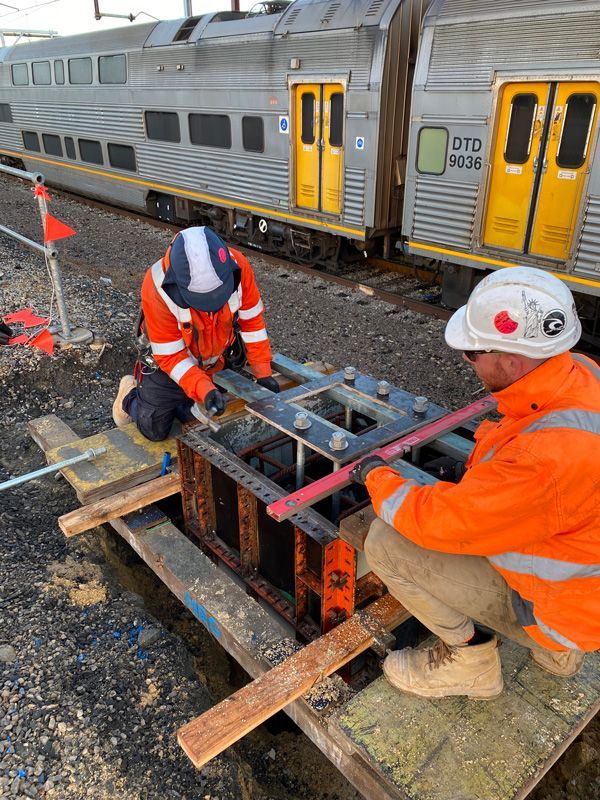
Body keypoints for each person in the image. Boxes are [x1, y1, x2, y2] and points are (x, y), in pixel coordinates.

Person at [350, 266, 600, 699]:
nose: (467, 362)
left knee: (384, 543)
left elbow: (441, 525)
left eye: (472, 353)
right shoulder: (580, 373)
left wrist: (377, 477)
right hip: (584, 590)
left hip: (561, 609)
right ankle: (561, 652)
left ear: (511, 360)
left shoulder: (542, 459)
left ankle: (473, 662)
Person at [112, 226, 279, 441]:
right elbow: (171, 357)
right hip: (169, 365)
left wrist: (263, 372)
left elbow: (252, 322)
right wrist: (204, 389)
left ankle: (188, 398)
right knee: (153, 428)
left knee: (193, 417)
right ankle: (129, 396)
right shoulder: (156, 288)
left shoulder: (238, 264)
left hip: (215, 359)